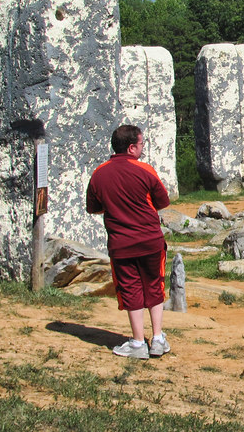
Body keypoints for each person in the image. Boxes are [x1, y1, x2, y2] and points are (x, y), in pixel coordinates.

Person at [86, 124, 171, 359]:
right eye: (142, 144)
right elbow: (162, 202)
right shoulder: (145, 170)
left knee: (130, 289)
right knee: (155, 285)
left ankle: (136, 342)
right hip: (150, 240)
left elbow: (93, 208)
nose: (143, 148)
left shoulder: (99, 173)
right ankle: (157, 338)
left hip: (121, 243)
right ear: (132, 147)